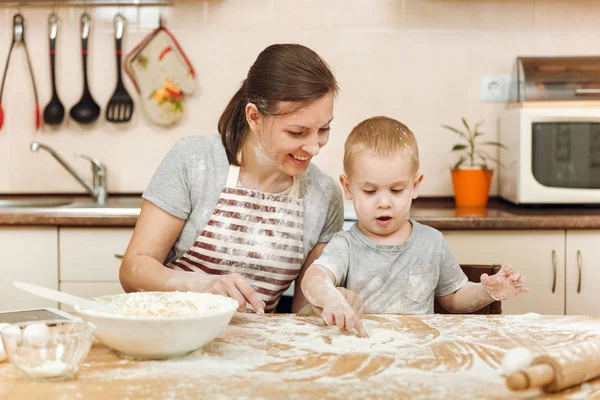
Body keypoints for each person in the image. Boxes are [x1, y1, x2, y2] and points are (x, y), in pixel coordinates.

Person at [119, 44, 355, 315]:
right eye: (297, 133)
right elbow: (133, 270)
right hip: (174, 336)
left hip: (258, 347)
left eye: (324, 129)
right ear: (254, 117)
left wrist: (334, 302)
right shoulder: (195, 161)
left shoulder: (325, 195)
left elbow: (302, 316)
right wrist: (200, 285)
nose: (314, 147)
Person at [301, 116, 530, 336]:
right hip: (363, 349)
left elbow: (454, 297)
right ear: (348, 188)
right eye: (370, 191)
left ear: (415, 186)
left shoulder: (431, 242)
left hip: (419, 352)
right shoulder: (346, 245)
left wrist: (486, 292)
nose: (384, 203)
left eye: (397, 190)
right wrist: (329, 297)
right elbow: (314, 278)